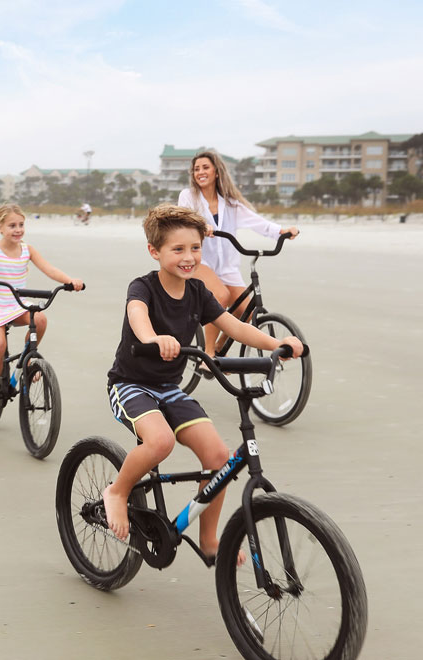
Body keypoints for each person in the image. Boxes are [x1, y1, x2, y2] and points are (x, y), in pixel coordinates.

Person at [100, 204, 302, 558]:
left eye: (195, 248)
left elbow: (234, 326)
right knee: (160, 441)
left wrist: (277, 344)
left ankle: (210, 540)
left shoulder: (197, 292)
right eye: (178, 249)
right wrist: (153, 340)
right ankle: (117, 491)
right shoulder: (143, 287)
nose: (188, 257)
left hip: (169, 388)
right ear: (155, 251)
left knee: (219, 456)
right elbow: (137, 315)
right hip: (130, 384)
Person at [177, 150, 298, 358]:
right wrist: (201, 225)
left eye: (205, 167)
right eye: (196, 169)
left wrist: (281, 231)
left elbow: (256, 222)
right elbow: (183, 219)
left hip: (227, 266)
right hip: (199, 262)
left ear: (216, 172)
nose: (200, 172)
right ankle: (208, 354)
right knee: (220, 296)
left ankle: (219, 348)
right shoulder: (188, 196)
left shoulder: (230, 203)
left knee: (247, 312)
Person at [0, 203, 84, 415]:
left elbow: (49, 269)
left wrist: (70, 281)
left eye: (21, 224)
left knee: (40, 320)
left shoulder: (27, 250)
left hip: (16, 305)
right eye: (12, 225)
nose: (18, 229)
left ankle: (28, 360)